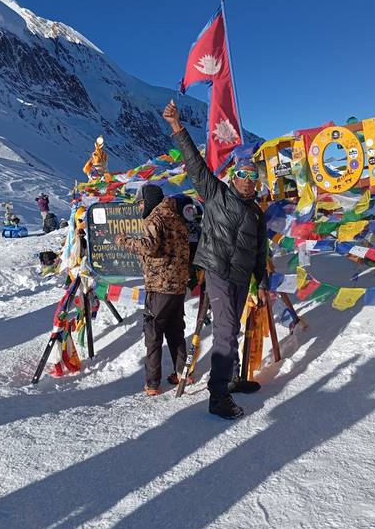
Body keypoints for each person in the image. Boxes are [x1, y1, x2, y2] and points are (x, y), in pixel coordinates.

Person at [163, 100, 268, 420]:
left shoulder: (257, 213)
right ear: (234, 176)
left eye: (254, 176)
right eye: (243, 174)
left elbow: (261, 252)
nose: (248, 181)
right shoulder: (217, 194)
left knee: (232, 327)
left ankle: (233, 378)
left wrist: (261, 282)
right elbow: (195, 165)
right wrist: (178, 128)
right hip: (219, 271)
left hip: (240, 277)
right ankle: (217, 395)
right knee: (224, 331)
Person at [115, 184, 190, 396]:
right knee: (176, 331)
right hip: (178, 284)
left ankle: (152, 383)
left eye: (140, 203)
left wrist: (124, 241)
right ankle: (183, 373)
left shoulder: (155, 218)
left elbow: (149, 246)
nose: (140, 208)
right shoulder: (176, 216)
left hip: (159, 285)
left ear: (147, 200)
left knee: (154, 333)